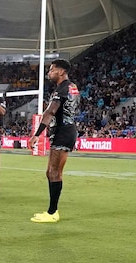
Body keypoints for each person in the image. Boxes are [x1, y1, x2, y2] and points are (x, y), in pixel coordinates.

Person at [28, 59, 79, 223]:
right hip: (65, 130)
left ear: (61, 71)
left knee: (55, 172)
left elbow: (50, 112)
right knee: (50, 172)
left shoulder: (63, 88)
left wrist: (37, 134)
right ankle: (51, 211)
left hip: (64, 132)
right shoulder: (71, 87)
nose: (49, 73)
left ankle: (52, 212)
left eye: (52, 70)